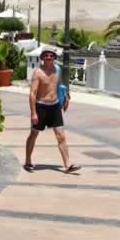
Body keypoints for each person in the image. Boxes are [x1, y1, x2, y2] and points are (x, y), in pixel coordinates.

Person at [24, 46, 80, 174]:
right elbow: (32, 93)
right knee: (34, 134)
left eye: (51, 55)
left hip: (54, 106)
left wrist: (66, 97)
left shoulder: (57, 70)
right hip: (41, 106)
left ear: (55, 57)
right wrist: (33, 113)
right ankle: (28, 161)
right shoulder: (38, 72)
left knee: (61, 136)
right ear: (42, 57)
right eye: (46, 55)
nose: (49, 57)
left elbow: (60, 84)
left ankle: (67, 165)